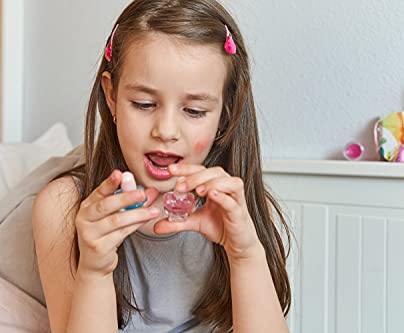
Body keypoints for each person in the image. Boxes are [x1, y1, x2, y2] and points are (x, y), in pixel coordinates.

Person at [32, 0, 292, 332]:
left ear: (226, 112)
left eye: (195, 111)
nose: (166, 131)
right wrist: (94, 271)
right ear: (111, 97)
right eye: (144, 104)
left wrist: (245, 255)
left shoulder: (242, 213)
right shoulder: (62, 208)